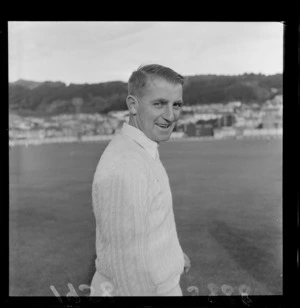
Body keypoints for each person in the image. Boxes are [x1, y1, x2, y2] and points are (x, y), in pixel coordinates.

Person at [90, 64, 191, 296]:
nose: (170, 115)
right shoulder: (127, 163)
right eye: (159, 104)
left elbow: (148, 227)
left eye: (176, 104)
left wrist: (172, 255)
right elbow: (124, 267)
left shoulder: (142, 149)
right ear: (133, 105)